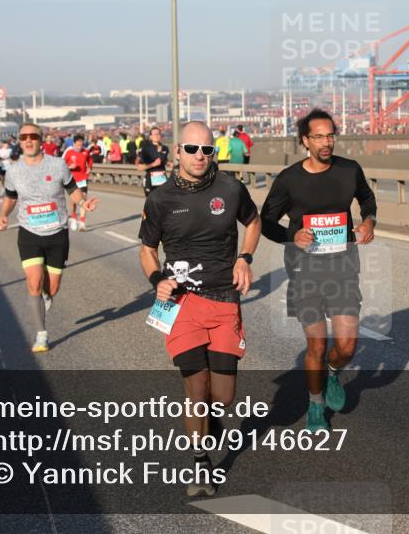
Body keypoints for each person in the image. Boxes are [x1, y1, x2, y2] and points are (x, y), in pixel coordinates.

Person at [138, 120, 261, 498]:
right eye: (191, 149)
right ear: (178, 152)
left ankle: (210, 420)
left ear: (214, 153)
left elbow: (254, 222)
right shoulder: (160, 199)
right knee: (196, 389)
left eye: (206, 150)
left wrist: (245, 257)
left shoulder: (230, 188)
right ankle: (200, 461)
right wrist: (156, 277)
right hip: (181, 303)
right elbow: (146, 248)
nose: (199, 157)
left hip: (224, 298)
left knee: (223, 397)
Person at [260, 108, 377, 432]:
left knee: (347, 347)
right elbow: (266, 220)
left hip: (342, 268)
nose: (327, 142)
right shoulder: (289, 179)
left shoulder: (349, 170)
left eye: (331, 135)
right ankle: (316, 404)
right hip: (305, 270)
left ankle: (333, 372)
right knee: (316, 345)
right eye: (319, 137)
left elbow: (367, 200)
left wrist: (368, 221)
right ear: (305, 141)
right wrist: (291, 236)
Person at [0, 123, 99, 353]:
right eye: (24, 137)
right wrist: (3, 215)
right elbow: (11, 197)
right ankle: (41, 334)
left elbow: (72, 189)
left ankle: (46, 296)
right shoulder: (13, 170)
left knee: (51, 288)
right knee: (33, 283)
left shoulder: (57, 164)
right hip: (29, 233)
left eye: (33, 136)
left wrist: (84, 202)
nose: (28, 140)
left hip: (57, 233)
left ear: (41, 140)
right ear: (20, 141)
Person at [63, 134, 93, 231]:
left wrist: (89, 168)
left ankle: (82, 222)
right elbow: (61, 164)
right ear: (74, 143)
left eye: (81, 143)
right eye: (78, 144)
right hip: (71, 179)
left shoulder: (86, 151)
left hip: (83, 179)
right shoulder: (68, 152)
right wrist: (69, 167)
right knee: (74, 201)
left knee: (83, 199)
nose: (80, 146)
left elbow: (90, 161)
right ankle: (73, 217)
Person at [137, 127, 170, 196]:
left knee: (163, 203)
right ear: (150, 136)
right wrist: (152, 165)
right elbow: (139, 167)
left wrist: (169, 163)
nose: (157, 136)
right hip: (150, 180)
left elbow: (165, 160)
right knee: (151, 204)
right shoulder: (146, 149)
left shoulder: (165, 148)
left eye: (158, 134)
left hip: (162, 179)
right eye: (154, 134)